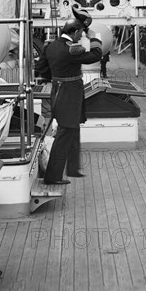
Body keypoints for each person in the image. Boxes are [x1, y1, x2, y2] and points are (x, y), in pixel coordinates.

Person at [35, 18, 102, 185]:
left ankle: (73, 168)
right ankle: (53, 176)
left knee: (72, 129)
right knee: (65, 133)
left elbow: (42, 69)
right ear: (75, 31)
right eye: (81, 33)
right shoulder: (70, 50)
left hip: (59, 90)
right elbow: (95, 55)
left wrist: (57, 76)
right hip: (69, 94)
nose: (81, 37)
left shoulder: (50, 46)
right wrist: (95, 38)